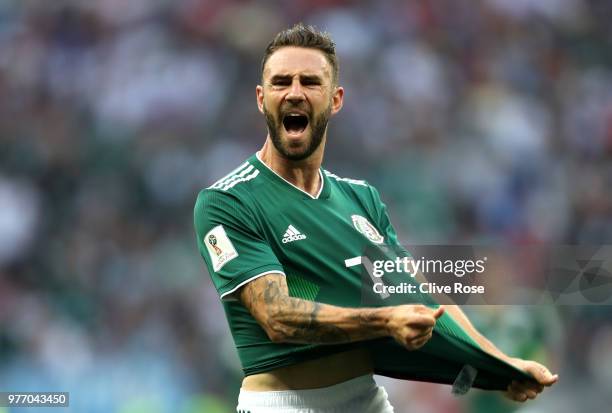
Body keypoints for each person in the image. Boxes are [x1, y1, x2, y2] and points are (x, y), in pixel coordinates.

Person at [194, 23, 558, 413]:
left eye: (310, 82)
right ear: (261, 98)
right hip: (283, 404)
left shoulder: (360, 198)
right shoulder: (229, 200)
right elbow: (276, 316)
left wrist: (499, 363)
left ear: (335, 100)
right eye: (281, 82)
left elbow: (418, 294)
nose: (294, 92)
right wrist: (385, 321)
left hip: (365, 400)